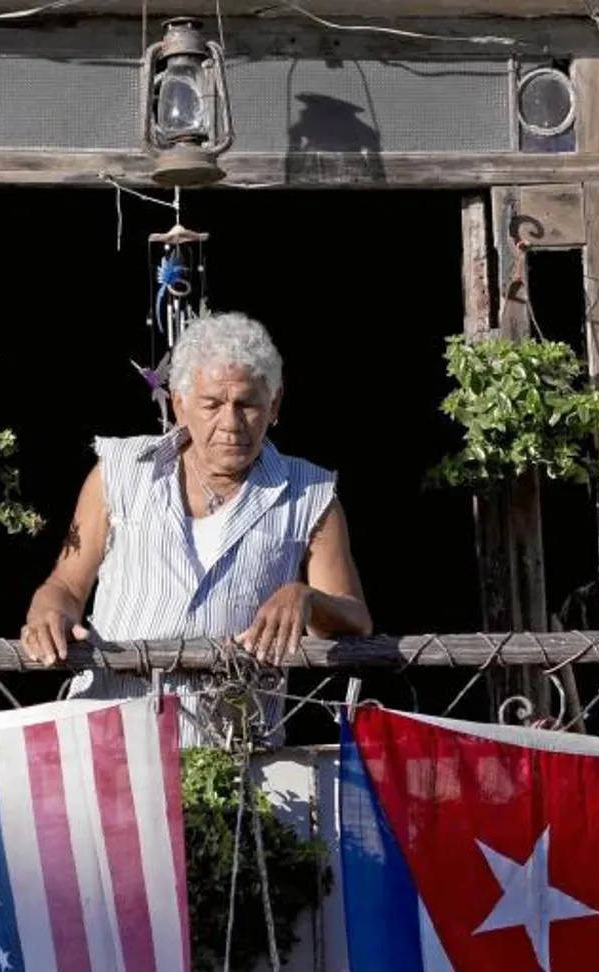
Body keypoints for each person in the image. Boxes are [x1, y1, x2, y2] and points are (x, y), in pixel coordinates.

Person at [20, 312, 371, 740]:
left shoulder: (310, 494)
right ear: (178, 403)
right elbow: (66, 587)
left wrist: (306, 598)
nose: (231, 423)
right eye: (212, 405)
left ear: (275, 404)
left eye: (248, 404)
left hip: (238, 755)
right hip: (112, 743)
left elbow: (355, 618)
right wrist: (48, 616)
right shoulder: (119, 472)